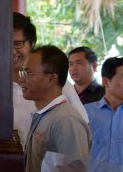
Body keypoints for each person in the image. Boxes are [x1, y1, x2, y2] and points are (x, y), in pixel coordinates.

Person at [11, 13, 87, 142]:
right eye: (3, 43)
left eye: (17, 43)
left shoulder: (56, 84)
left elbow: (82, 127)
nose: (11, 50)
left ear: (32, 44)